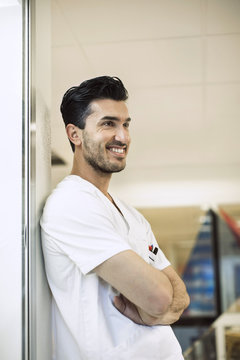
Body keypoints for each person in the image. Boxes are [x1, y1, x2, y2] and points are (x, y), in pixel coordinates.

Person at [40, 76, 190, 360]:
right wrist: (157, 306)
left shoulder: (130, 215)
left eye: (125, 124)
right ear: (75, 134)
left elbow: (180, 295)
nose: (122, 136)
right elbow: (160, 297)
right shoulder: (71, 203)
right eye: (108, 123)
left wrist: (159, 307)